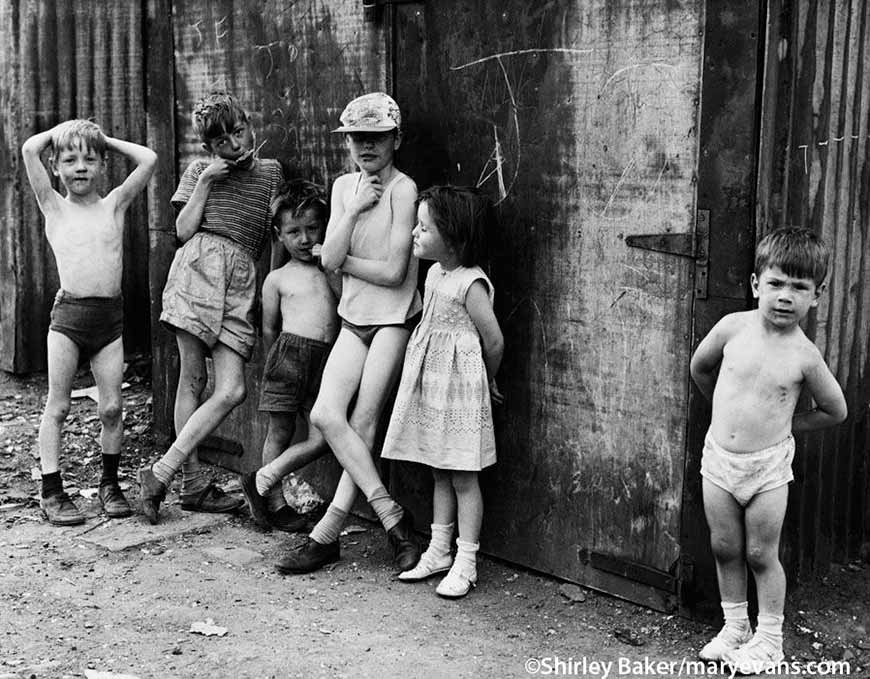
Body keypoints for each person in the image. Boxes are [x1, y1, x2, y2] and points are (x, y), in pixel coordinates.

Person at [274, 92, 422, 575]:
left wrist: (343, 260)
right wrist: (356, 208)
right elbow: (327, 254)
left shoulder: (404, 189)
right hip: (354, 318)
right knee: (325, 414)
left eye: (376, 137)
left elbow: (397, 272)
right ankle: (390, 514)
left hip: (393, 319)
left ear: (395, 139)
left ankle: (326, 536)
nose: (365, 146)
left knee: (361, 423)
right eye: (357, 138)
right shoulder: (343, 189)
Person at [690, 227, 847, 673]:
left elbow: (835, 410)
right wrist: (722, 411)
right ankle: (735, 627)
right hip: (719, 460)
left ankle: (770, 640)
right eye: (776, 283)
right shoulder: (731, 328)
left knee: (761, 553)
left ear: (816, 295)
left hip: (767, 470)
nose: (785, 296)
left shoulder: (805, 356)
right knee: (724, 547)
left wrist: (788, 425)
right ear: (756, 283)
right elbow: (701, 367)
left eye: (799, 287)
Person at [139, 91, 284, 524]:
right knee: (192, 380)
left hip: (242, 278)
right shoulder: (200, 171)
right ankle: (193, 482)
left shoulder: (272, 172)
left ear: (248, 124)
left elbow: (275, 238)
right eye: (222, 142)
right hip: (199, 267)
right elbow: (183, 231)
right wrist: (206, 180)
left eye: (238, 133)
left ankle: (161, 473)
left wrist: (269, 287)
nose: (235, 146)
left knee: (233, 389)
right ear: (209, 147)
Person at [21, 119, 157, 526]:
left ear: (103, 165)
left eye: (89, 159)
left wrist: (103, 139)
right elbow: (30, 150)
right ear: (56, 167)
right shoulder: (53, 205)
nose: (80, 167)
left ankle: (110, 484)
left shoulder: (113, 203)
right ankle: (51, 490)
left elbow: (148, 160)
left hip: (109, 321)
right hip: (69, 319)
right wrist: (64, 130)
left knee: (113, 407)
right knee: (58, 406)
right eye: (70, 159)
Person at [382, 186, 504, 598]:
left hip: (461, 392)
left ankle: (466, 560)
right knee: (438, 468)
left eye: (424, 228)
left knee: (465, 477)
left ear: (452, 237)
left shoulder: (470, 283)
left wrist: (489, 380)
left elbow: (494, 340)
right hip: (434, 387)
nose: (414, 234)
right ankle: (438, 550)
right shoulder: (434, 273)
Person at [240, 180, 340, 532]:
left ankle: (260, 479)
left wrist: (331, 265)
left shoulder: (333, 269)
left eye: (312, 229)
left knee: (323, 436)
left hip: (327, 360)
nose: (304, 239)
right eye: (293, 232)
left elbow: (345, 304)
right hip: (289, 356)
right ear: (279, 236)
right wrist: (273, 363)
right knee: (280, 430)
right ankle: (274, 501)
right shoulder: (277, 279)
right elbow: (268, 328)